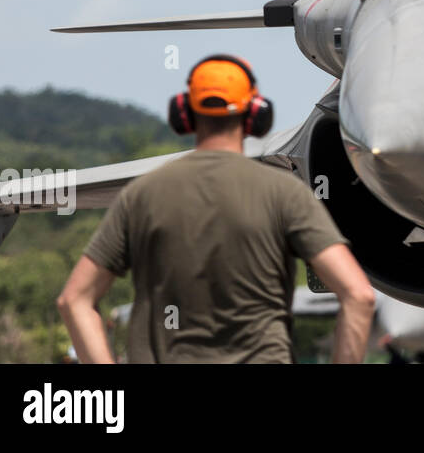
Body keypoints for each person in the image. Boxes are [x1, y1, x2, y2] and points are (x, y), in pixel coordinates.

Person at [56, 54, 377, 363]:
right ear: (256, 113)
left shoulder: (141, 195)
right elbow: (358, 295)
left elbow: (74, 300)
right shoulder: (285, 195)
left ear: (184, 112)